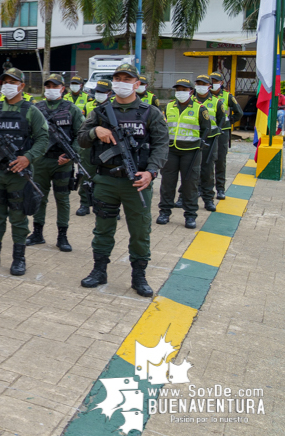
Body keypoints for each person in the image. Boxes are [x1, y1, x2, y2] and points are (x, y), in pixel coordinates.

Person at [78, 63, 169, 298]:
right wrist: (94, 131)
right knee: (102, 228)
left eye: (127, 80)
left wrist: (151, 172)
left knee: (140, 230)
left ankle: (139, 276)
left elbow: (161, 145)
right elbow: (81, 139)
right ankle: (99, 270)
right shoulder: (100, 111)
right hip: (106, 181)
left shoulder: (151, 112)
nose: (121, 83)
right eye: (117, 78)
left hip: (137, 181)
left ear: (137, 85)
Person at [0, 68, 50, 275]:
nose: (7, 85)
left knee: (18, 217)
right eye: (5, 81)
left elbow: (44, 139)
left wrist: (28, 158)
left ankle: (19, 259)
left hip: (18, 174)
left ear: (22, 86)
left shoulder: (31, 111)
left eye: (12, 82)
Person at [27, 73, 83, 251]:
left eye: (55, 86)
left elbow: (80, 135)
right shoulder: (37, 108)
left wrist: (69, 154)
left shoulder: (72, 109)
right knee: (39, 196)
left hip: (62, 162)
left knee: (62, 199)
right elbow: (29, 133)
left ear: (62, 88)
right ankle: (37, 233)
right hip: (41, 161)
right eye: (48, 86)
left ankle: (62, 236)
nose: (50, 89)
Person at [157, 78, 211, 229]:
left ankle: (190, 215)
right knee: (167, 183)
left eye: (184, 90)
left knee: (190, 184)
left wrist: (200, 144)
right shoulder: (169, 107)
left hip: (191, 152)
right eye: (178, 90)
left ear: (191, 92)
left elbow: (206, 129)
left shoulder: (200, 109)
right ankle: (165, 212)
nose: (180, 92)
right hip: (171, 150)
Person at [76, 80, 113, 216]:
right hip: (90, 144)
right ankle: (84, 203)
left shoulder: (114, 107)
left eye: (102, 92)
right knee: (86, 174)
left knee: (108, 177)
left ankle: (108, 204)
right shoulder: (90, 105)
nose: (99, 94)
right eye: (98, 91)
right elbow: (83, 126)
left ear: (109, 93)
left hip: (107, 146)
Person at [193, 74, 225, 212]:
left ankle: (208, 199)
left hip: (210, 140)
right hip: (193, 140)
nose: (200, 86)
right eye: (198, 84)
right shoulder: (191, 101)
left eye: (204, 84)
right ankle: (187, 197)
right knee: (191, 170)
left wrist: (218, 130)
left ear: (209, 86)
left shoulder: (217, 101)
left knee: (208, 170)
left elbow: (221, 118)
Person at [210, 72, 242, 200]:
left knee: (220, 161)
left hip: (223, 131)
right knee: (205, 162)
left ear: (221, 83)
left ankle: (220, 189)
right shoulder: (203, 96)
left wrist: (229, 121)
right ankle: (203, 188)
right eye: (211, 81)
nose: (213, 83)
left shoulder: (227, 96)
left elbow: (239, 112)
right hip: (208, 132)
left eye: (215, 81)